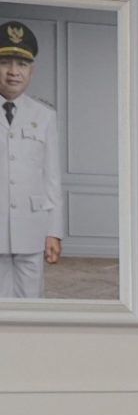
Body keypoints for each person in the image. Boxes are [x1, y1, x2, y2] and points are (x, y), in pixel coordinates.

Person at [0, 20, 62, 298]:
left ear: (31, 70)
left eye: (22, 64)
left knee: (32, 303)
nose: (14, 72)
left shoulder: (44, 116)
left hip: (31, 227)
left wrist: (54, 231)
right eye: (5, 63)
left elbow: (51, 177)